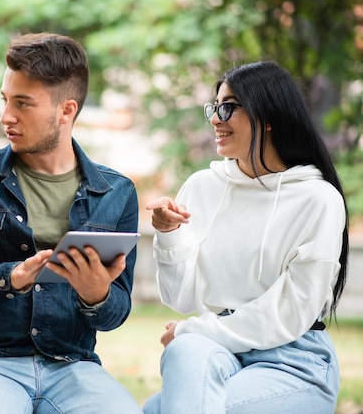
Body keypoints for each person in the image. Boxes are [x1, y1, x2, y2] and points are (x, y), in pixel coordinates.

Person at [0, 32, 142, 414]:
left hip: (73, 365)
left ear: (66, 110)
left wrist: (97, 295)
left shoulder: (117, 193)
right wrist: (11, 277)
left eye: (23, 104)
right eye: (6, 100)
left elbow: (116, 311)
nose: (7, 116)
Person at [142, 61, 349, 413]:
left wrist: (195, 331)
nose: (215, 119)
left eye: (228, 107)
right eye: (214, 107)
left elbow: (290, 312)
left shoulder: (318, 199)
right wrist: (169, 234)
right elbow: (181, 298)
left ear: (268, 117)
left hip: (292, 361)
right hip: (218, 351)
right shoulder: (202, 186)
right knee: (185, 348)